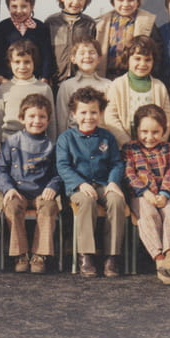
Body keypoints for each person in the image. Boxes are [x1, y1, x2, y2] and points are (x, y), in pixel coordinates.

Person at [56, 87, 125, 278]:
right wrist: (80, 183)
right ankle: (86, 255)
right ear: (73, 114)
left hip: (103, 183)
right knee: (86, 202)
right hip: (78, 187)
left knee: (117, 201)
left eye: (93, 112)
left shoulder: (107, 137)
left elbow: (117, 163)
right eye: (83, 112)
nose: (89, 117)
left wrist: (113, 182)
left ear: (100, 113)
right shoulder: (66, 138)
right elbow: (62, 166)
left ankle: (112, 256)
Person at [122, 104, 170, 285]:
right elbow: (129, 174)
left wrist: (164, 194)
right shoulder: (130, 148)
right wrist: (145, 193)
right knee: (148, 214)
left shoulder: (167, 148)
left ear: (163, 131)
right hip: (141, 196)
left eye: (155, 132)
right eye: (144, 132)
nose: (149, 137)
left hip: (165, 194)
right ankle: (160, 259)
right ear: (137, 130)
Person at [0, 94, 61, 273]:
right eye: (32, 116)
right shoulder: (12, 142)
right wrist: (8, 188)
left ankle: (40, 255)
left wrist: (52, 187)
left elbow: (58, 173)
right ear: (22, 118)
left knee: (49, 208)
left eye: (42, 117)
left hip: (42, 192)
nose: (37, 121)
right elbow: (2, 169)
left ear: (48, 120)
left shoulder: (51, 145)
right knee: (12, 207)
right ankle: (21, 254)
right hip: (18, 191)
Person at [104, 35, 170, 148]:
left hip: (154, 145)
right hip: (125, 147)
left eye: (147, 60)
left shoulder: (159, 87)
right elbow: (110, 117)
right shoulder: (117, 85)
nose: (142, 64)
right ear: (127, 59)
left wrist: (159, 141)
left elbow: (167, 118)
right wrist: (127, 143)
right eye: (137, 59)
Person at [94, 0, 163, 80]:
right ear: (113, 1)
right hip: (106, 76)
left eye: (130, 0)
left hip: (134, 76)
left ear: (138, 1)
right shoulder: (101, 23)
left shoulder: (148, 22)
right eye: (121, 0)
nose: (125, 4)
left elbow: (157, 52)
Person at [0, 40, 56, 152]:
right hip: (9, 143)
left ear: (34, 62)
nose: (22, 66)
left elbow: (51, 121)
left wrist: (53, 145)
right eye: (17, 62)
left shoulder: (44, 88)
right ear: (10, 63)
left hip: (37, 143)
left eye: (27, 62)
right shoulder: (3, 89)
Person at [0, 0, 54, 86]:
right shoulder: (3, 27)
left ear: (32, 6)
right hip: (9, 81)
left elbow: (47, 55)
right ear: (8, 7)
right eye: (14, 6)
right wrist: (0, 78)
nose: (19, 11)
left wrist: (45, 77)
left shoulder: (40, 27)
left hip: (35, 81)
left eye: (24, 6)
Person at [44, 0, 97, 86]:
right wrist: (46, 75)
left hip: (81, 80)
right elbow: (45, 52)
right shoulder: (51, 22)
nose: (76, 2)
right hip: (55, 81)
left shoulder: (89, 24)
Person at [55, 37, 111, 134]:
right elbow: (62, 118)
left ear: (99, 58)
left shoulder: (108, 85)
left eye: (92, 52)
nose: (87, 56)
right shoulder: (67, 86)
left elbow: (110, 117)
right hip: (74, 138)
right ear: (73, 59)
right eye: (82, 53)